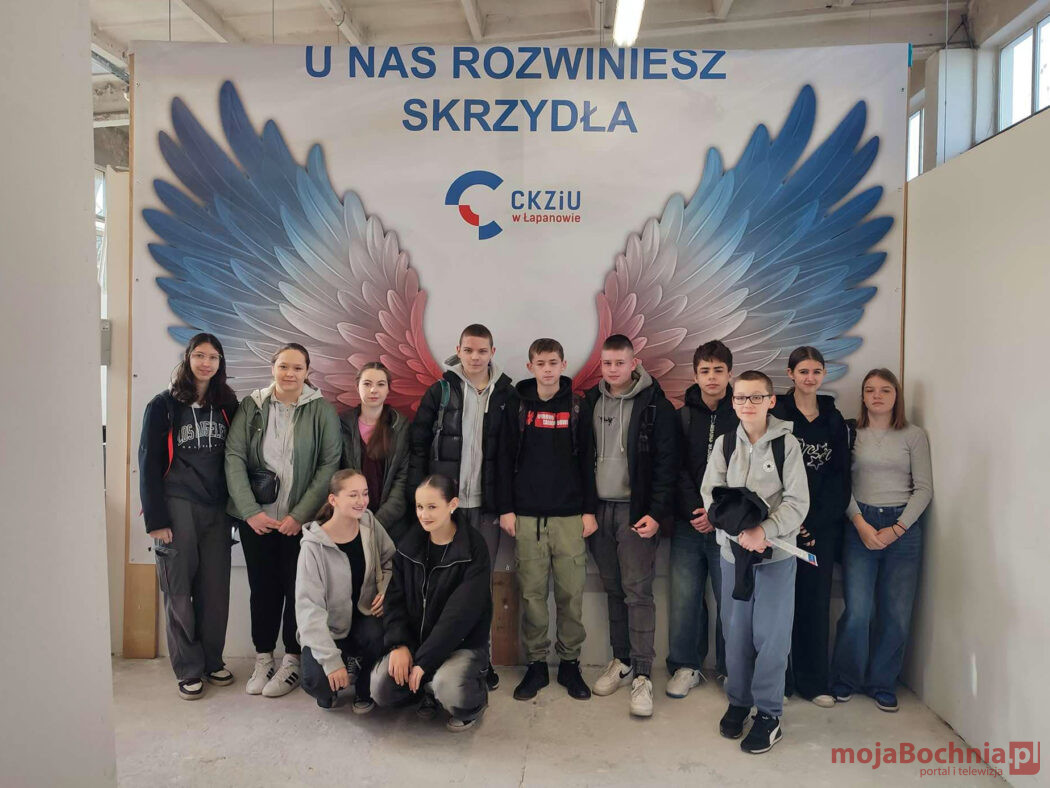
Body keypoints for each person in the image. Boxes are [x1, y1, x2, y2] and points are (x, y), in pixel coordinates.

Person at [702, 370, 809, 754]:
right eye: (741, 397)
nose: (748, 404)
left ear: (771, 401)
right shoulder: (725, 444)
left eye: (756, 397)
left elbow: (797, 502)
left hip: (775, 558)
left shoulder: (787, 445)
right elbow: (711, 496)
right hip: (733, 556)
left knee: (771, 637)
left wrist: (764, 530)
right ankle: (739, 701)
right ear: (733, 402)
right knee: (736, 634)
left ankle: (768, 713)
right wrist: (738, 533)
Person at [225, 343, 341, 698]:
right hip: (257, 520)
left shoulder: (321, 410)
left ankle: (292, 659)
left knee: (297, 590)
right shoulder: (253, 406)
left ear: (307, 372)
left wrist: (298, 515)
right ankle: (264, 658)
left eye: (297, 368)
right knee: (262, 589)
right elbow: (234, 455)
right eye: (284, 366)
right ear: (272, 367)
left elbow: (329, 464)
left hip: (299, 523)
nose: (290, 374)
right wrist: (250, 511)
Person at [407, 323, 514, 690]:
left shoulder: (506, 394)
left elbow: (510, 455)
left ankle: (481, 661)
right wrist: (420, 503)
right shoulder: (440, 391)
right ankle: (437, 660)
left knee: (480, 589)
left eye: (482, 351)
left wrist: (506, 505)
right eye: (468, 350)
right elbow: (418, 447)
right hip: (445, 509)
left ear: (492, 353)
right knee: (441, 586)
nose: (475, 357)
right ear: (458, 350)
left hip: (486, 508)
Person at [138, 333, 239, 700]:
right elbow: (148, 463)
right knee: (178, 590)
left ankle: (212, 661)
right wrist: (156, 520)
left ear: (220, 363)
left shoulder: (227, 404)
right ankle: (188, 668)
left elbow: (238, 456)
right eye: (199, 355)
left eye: (213, 357)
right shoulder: (163, 405)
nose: (205, 363)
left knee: (215, 591)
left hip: (217, 508)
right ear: (188, 358)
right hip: (177, 504)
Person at [497, 338, 596, 701]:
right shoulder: (517, 406)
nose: (548, 369)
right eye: (541, 363)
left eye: (553, 362)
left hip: (570, 517)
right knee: (532, 595)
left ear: (563, 364)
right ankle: (536, 665)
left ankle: (570, 663)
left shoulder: (578, 406)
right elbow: (503, 458)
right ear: (530, 367)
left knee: (571, 594)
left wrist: (589, 510)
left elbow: (587, 461)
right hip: (527, 517)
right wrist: (506, 508)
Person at [584, 334, 678, 717]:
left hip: (636, 513)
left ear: (634, 363)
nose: (613, 369)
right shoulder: (590, 402)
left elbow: (667, 465)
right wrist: (586, 509)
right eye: (607, 363)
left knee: (638, 592)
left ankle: (642, 674)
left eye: (619, 363)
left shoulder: (656, 405)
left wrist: (656, 513)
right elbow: (580, 459)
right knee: (613, 589)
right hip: (599, 512)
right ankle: (621, 660)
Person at [830, 368, 932, 713]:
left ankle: (882, 683)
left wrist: (898, 528)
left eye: (885, 390)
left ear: (896, 396)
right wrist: (860, 523)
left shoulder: (913, 436)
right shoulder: (850, 434)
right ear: (862, 396)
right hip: (860, 525)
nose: (877, 396)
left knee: (896, 612)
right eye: (870, 390)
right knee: (858, 610)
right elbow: (841, 484)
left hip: (903, 530)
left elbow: (924, 489)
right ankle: (846, 678)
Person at [371, 475, 492, 732]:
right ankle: (425, 689)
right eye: (419, 507)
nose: (424, 515)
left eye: (432, 507)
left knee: (450, 689)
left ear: (453, 505)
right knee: (379, 688)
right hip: (416, 642)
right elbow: (394, 600)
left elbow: (459, 615)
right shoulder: (408, 545)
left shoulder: (474, 548)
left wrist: (423, 662)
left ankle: (473, 696)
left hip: (460, 645)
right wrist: (399, 644)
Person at [771, 347, 852, 708]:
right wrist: (793, 520)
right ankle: (780, 681)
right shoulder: (776, 414)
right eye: (803, 371)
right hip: (783, 526)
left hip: (821, 529)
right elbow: (770, 472)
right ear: (790, 374)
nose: (810, 378)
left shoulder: (834, 419)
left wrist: (814, 522)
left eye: (816, 371)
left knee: (815, 604)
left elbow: (840, 476)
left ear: (823, 374)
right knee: (780, 605)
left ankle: (814, 682)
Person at [667, 340, 737, 699]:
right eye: (705, 371)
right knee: (685, 599)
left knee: (730, 600)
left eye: (718, 370)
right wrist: (697, 510)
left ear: (729, 374)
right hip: (688, 523)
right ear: (695, 375)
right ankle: (685, 665)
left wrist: (717, 514)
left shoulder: (741, 415)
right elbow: (675, 467)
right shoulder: (682, 416)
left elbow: (743, 473)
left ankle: (730, 668)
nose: (712, 377)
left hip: (728, 526)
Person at [296, 469, 395, 712]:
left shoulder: (369, 523)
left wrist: (385, 590)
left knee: (381, 633)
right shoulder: (313, 546)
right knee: (317, 682)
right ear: (334, 500)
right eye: (353, 495)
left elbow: (390, 561)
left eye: (365, 493)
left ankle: (363, 685)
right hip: (329, 629)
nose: (362, 501)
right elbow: (309, 609)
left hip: (365, 620)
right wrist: (331, 662)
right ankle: (338, 670)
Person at [339, 362, 411, 543]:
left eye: (380, 384)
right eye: (367, 384)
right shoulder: (342, 424)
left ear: (388, 389)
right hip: (349, 521)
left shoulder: (400, 426)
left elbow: (402, 479)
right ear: (357, 386)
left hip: (391, 525)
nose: (373, 390)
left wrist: (376, 523)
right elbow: (335, 473)